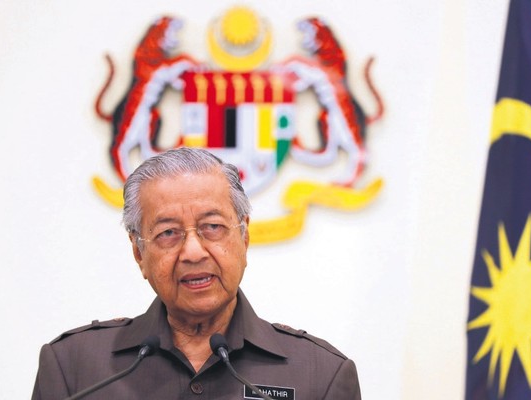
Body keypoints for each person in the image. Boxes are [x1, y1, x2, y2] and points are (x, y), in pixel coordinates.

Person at [31, 148, 361, 399]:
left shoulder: (320, 375)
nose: (192, 252)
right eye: (168, 233)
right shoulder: (74, 367)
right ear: (138, 253)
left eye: (212, 227)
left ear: (244, 236)